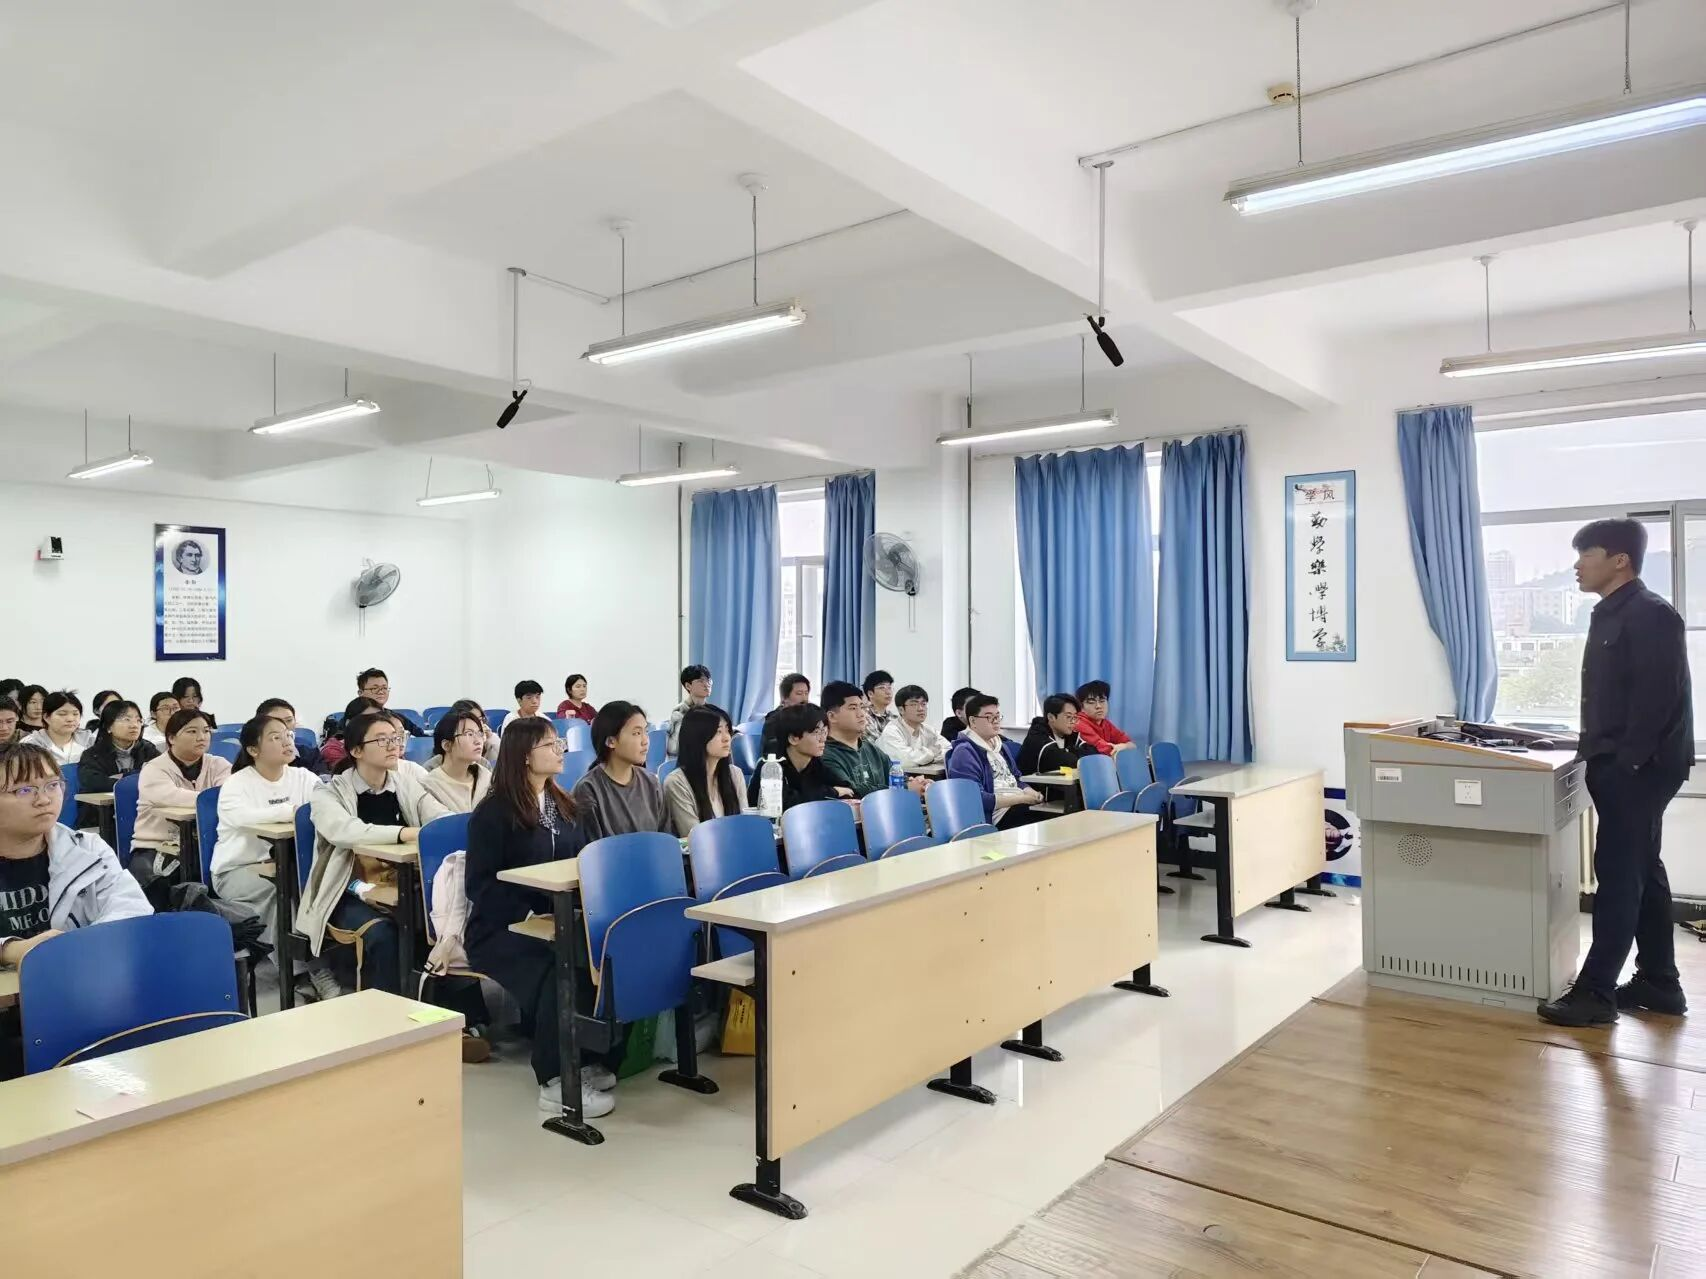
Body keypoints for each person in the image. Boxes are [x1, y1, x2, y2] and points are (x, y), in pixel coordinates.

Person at [1539, 519, 1693, 1027]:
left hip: (1640, 770)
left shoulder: (1651, 614)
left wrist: (1626, 764)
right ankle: (1660, 982)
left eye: (1587, 554)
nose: (1577, 565)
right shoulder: (1611, 612)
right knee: (1643, 869)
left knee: (1619, 876)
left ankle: (1595, 993)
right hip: (1620, 763)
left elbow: (1657, 700)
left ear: (1620, 560)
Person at [465, 714, 617, 1117]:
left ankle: (584, 1056)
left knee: (596, 956)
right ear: (524, 756)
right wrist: (531, 913)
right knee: (558, 968)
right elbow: (479, 885)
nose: (560, 750)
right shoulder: (493, 814)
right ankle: (555, 1080)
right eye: (550, 744)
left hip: (557, 921)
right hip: (501, 929)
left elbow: (582, 865)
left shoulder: (566, 806)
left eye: (559, 743)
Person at [0, 741, 152, 1077]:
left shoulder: (87, 850)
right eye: (24, 790)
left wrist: (75, 950)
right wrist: (11, 950)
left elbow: (131, 910)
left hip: (79, 1000)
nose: (44, 799)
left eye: (52, 785)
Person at [297, 711, 448, 995]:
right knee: (384, 934)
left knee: (443, 920)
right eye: (381, 740)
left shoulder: (405, 783)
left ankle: (445, 1008)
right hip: (347, 888)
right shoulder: (329, 792)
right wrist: (403, 833)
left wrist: (448, 827)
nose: (393, 745)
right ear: (356, 751)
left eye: (395, 738)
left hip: (402, 883)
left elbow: (439, 817)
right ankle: (383, 1010)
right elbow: (344, 831)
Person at [209, 716, 337, 1002]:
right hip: (237, 869)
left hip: (292, 864)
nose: (287, 741)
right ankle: (303, 972)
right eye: (275, 737)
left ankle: (329, 964)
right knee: (279, 893)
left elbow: (328, 807)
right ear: (253, 749)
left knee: (314, 889)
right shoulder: (236, 784)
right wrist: (292, 812)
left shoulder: (304, 777)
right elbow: (242, 817)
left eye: (288, 734)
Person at [133, 708, 231, 883]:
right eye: (192, 731)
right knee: (165, 884)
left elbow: (230, 795)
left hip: (206, 845)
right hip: (156, 846)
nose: (201, 737)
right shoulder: (154, 768)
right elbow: (172, 797)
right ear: (171, 738)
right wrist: (209, 799)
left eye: (206, 731)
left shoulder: (219, 765)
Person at [572, 701, 670, 838]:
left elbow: (665, 837)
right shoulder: (587, 790)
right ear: (611, 741)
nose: (645, 740)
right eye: (636, 733)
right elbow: (591, 847)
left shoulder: (651, 782)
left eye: (646, 731)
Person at [946, 694, 1046, 827]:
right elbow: (975, 798)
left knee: (1053, 814)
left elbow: (1016, 779)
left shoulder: (1000, 746)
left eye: (997, 716)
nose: (996, 721)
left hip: (1016, 805)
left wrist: (1030, 792)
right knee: (1045, 821)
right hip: (995, 816)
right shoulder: (964, 752)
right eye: (989, 717)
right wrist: (1021, 798)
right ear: (973, 721)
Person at [820, 681, 928, 799]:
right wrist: (904, 788)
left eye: (862, 707)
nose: (861, 714)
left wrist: (919, 784)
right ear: (832, 716)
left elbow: (897, 777)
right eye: (853, 708)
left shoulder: (871, 749)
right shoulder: (825, 755)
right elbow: (851, 791)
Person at [747, 702, 853, 811]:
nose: (823, 739)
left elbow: (847, 790)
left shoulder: (815, 763)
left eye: (824, 732)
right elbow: (787, 805)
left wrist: (828, 792)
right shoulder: (771, 766)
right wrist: (833, 792)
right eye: (816, 732)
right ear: (793, 738)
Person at [665, 705, 748, 837]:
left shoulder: (735, 774)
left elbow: (744, 825)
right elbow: (695, 836)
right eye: (718, 731)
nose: (727, 738)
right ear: (698, 736)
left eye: (727, 730)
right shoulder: (677, 782)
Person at [76, 699, 159, 796]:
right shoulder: (93, 755)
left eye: (138, 720)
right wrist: (137, 777)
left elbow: (162, 776)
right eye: (126, 720)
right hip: (107, 805)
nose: (134, 725)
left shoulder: (148, 749)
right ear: (108, 727)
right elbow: (95, 784)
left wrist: (123, 776)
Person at [422, 708, 492, 813]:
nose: (478, 741)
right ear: (447, 745)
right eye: (469, 734)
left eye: (480, 734)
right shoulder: (430, 786)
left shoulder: (486, 778)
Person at [1017, 693, 1098, 776]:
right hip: (1033, 783)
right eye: (1068, 717)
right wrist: (1073, 751)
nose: (1073, 722)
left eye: (1075, 717)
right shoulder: (1037, 737)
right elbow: (1068, 762)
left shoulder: (1069, 733)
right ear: (1051, 717)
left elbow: (1093, 755)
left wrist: (1069, 751)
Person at [879, 685, 948, 769]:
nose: (921, 708)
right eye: (914, 704)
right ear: (901, 710)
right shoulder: (892, 731)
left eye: (923, 704)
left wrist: (927, 757)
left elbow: (949, 750)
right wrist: (932, 754)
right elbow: (904, 760)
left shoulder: (929, 730)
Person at [23, 691, 92, 766]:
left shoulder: (90, 741)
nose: (70, 719)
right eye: (62, 714)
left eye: (75, 714)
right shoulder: (30, 745)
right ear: (46, 717)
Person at [256, 697, 323, 773]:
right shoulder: (253, 755)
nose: (284, 726)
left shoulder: (311, 754)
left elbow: (323, 778)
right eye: (276, 721)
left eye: (289, 720)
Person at [357, 668, 427, 736]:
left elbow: (421, 736)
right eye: (374, 688)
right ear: (360, 693)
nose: (381, 692)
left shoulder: (396, 717)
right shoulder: (354, 719)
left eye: (384, 688)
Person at [319, 696, 383, 772]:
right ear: (349, 723)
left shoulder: (385, 743)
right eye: (368, 719)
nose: (376, 724)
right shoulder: (333, 750)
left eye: (380, 719)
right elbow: (356, 774)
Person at [1074, 680, 1134, 755]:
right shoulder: (1079, 723)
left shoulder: (1105, 723)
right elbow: (1106, 750)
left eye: (1102, 701)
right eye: (1091, 702)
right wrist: (1123, 747)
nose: (1098, 706)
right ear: (1081, 707)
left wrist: (1124, 746)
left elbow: (1131, 744)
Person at [666, 665, 713, 757]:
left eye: (708, 680)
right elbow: (674, 748)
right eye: (701, 681)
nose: (707, 684)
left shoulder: (712, 710)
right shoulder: (680, 712)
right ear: (688, 686)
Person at [862, 671, 897, 744]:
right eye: (882, 688)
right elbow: (877, 746)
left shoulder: (894, 718)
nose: (888, 692)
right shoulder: (863, 716)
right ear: (870, 693)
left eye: (889, 687)